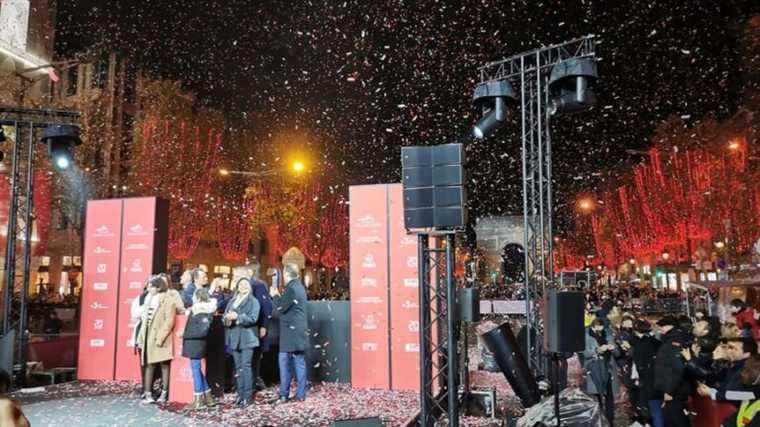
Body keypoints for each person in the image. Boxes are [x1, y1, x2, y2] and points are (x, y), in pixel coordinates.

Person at [137, 276, 179, 404]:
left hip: (162, 337)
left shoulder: (169, 300)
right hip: (148, 336)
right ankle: (148, 393)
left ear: (158, 287)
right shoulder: (148, 299)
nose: (148, 288)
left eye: (151, 286)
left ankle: (164, 393)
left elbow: (169, 321)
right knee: (149, 365)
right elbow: (144, 320)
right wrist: (142, 336)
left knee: (164, 366)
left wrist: (160, 338)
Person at [223, 268, 260, 408]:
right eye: (241, 284)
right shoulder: (232, 301)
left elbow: (253, 318)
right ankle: (240, 394)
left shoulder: (254, 301)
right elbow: (225, 318)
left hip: (248, 338)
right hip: (234, 338)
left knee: (246, 366)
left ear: (249, 287)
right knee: (238, 367)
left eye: (246, 284)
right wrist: (227, 319)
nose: (243, 286)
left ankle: (248, 396)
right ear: (237, 287)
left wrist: (237, 317)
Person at [273, 263, 309, 404]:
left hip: (290, 333)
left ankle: (284, 394)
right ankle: (300, 394)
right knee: (299, 363)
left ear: (286, 275)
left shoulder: (291, 288)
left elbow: (280, 309)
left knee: (284, 363)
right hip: (298, 332)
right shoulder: (299, 287)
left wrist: (275, 296)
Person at [180, 287, 217, 411]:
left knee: (195, 371)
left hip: (196, 344)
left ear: (198, 297)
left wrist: (184, 334)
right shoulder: (200, 309)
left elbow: (202, 331)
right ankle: (208, 397)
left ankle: (198, 400)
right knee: (197, 370)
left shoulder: (202, 310)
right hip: (194, 344)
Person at [579, 318, 620, 424]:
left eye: (601, 328)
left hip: (608, 367)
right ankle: (598, 419)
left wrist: (612, 348)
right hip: (594, 368)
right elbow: (584, 353)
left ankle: (610, 419)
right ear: (593, 326)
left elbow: (617, 352)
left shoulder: (607, 334)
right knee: (597, 394)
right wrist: (597, 350)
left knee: (609, 395)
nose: (600, 331)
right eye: (598, 328)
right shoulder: (586, 335)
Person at [653, 316, 692, 427]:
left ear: (670, 326)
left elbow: (677, 368)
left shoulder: (674, 341)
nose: (660, 330)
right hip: (672, 389)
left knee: (675, 420)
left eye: (662, 327)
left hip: (675, 391)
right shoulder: (669, 340)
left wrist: (669, 391)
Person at [629, 319, 663, 427]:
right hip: (657, 376)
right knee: (656, 407)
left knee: (651, 408)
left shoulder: (639, 344)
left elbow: (638, 363)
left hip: (646, 378)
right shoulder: (654, 341)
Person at [247, 262, 274, 393]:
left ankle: (253, 382)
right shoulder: (243, 286)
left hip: (256, 327)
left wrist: (264, 326)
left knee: (255, 357)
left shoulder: (259, 286)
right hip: (246, 329)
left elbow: (267, 307)